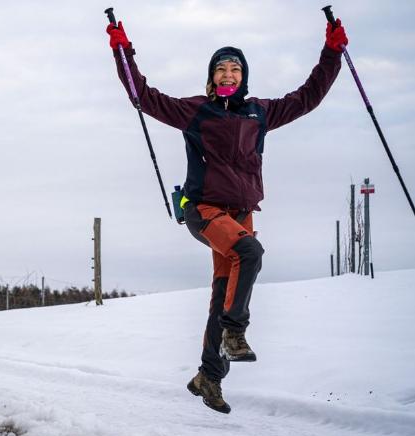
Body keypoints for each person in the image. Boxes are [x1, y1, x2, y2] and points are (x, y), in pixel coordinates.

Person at [106, 18, 347, 413]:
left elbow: (308, 96)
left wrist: (332, 54)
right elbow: (143, 96)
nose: (228, 74)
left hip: (241, 213)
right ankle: (236, 334)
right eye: (221, 68)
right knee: (250, 253)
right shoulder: (195, 112)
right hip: (204, 208)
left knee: (223, 292)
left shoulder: (259, 113)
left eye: (235, 68)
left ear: (243, 76)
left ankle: (209, 377)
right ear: (211, 77)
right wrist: (123, 50)